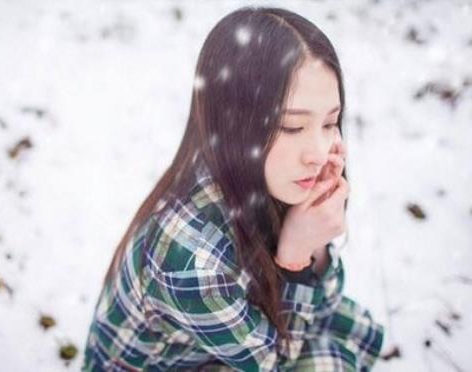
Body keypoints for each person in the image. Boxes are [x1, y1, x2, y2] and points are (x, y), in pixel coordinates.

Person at [82, 5, 385, 371]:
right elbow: (272, 360)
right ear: (234, 125)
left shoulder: (262, 176)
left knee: (340, 340)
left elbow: (322, 304)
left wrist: (314, 244)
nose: (320, 153)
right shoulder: (190, 258)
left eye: (330, 122)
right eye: (292, 127)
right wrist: (295, 258)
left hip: (227, 348)